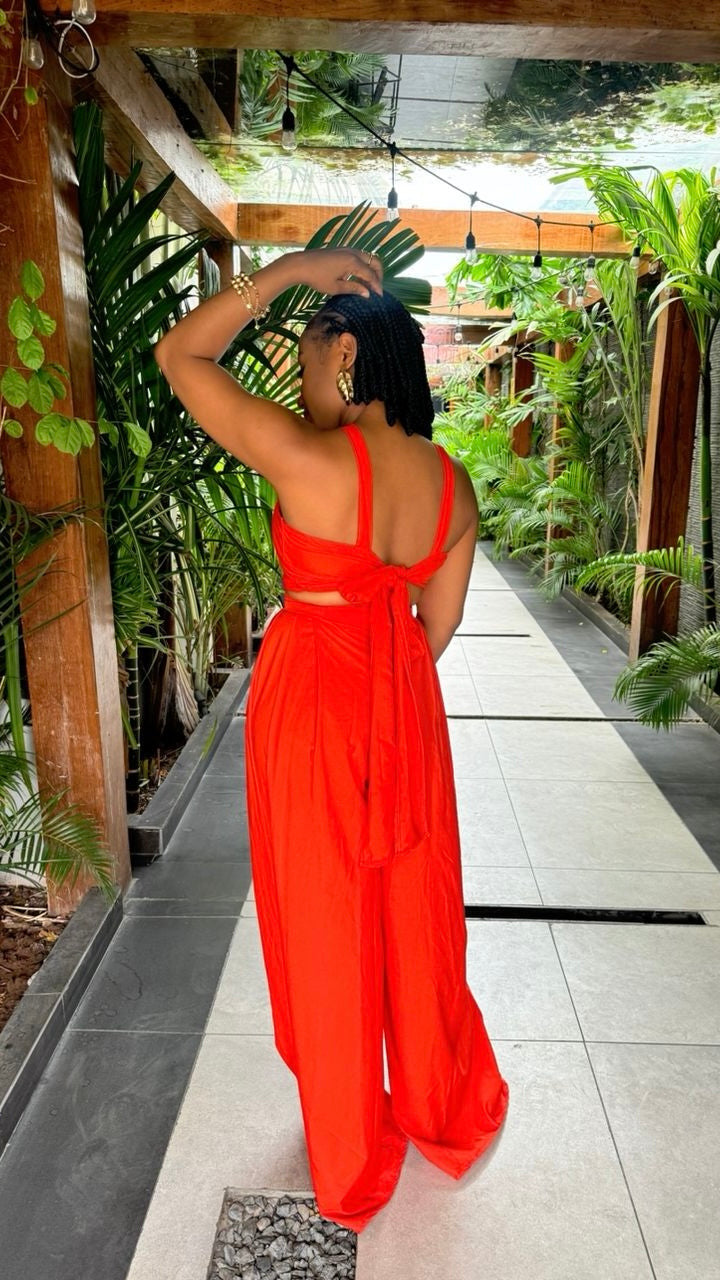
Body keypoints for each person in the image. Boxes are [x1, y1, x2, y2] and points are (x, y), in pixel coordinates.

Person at [153, 246, 510, 1234]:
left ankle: (352, 1143)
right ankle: (436, 1099)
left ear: (345, 355)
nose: (299, 383)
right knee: (412, 906)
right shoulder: (452, 484)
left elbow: (181, 357)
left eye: (308, 357)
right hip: (403, 710)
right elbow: (437, 625)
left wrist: (284, 272)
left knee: (327, 919)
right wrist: (382, 684)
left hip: (312, 704)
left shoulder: (306, 460)